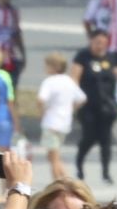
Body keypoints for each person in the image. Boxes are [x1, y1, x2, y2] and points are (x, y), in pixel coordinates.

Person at [70, 31, 117, 185]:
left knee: (106, 140)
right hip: (88, 106)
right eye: (97, 42)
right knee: (89, 138)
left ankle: (105, 173)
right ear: (91, 41)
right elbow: (74, 78)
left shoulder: (110, 58)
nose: (100, 46)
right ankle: (79, 165)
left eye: (103, 43)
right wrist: (75, 100)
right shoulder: (83, 56)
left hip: (107, 107)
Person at [36, 52, 86, 183]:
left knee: (54, 158)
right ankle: (64, 182)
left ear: (53, 67)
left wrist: (42, 112)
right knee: (55, 155)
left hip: (51, 122)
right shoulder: (69, 81)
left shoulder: (49, 82)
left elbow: (41, 100)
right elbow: (82, 98)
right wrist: (72, 108)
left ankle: (62, 183)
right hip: (64, 122)